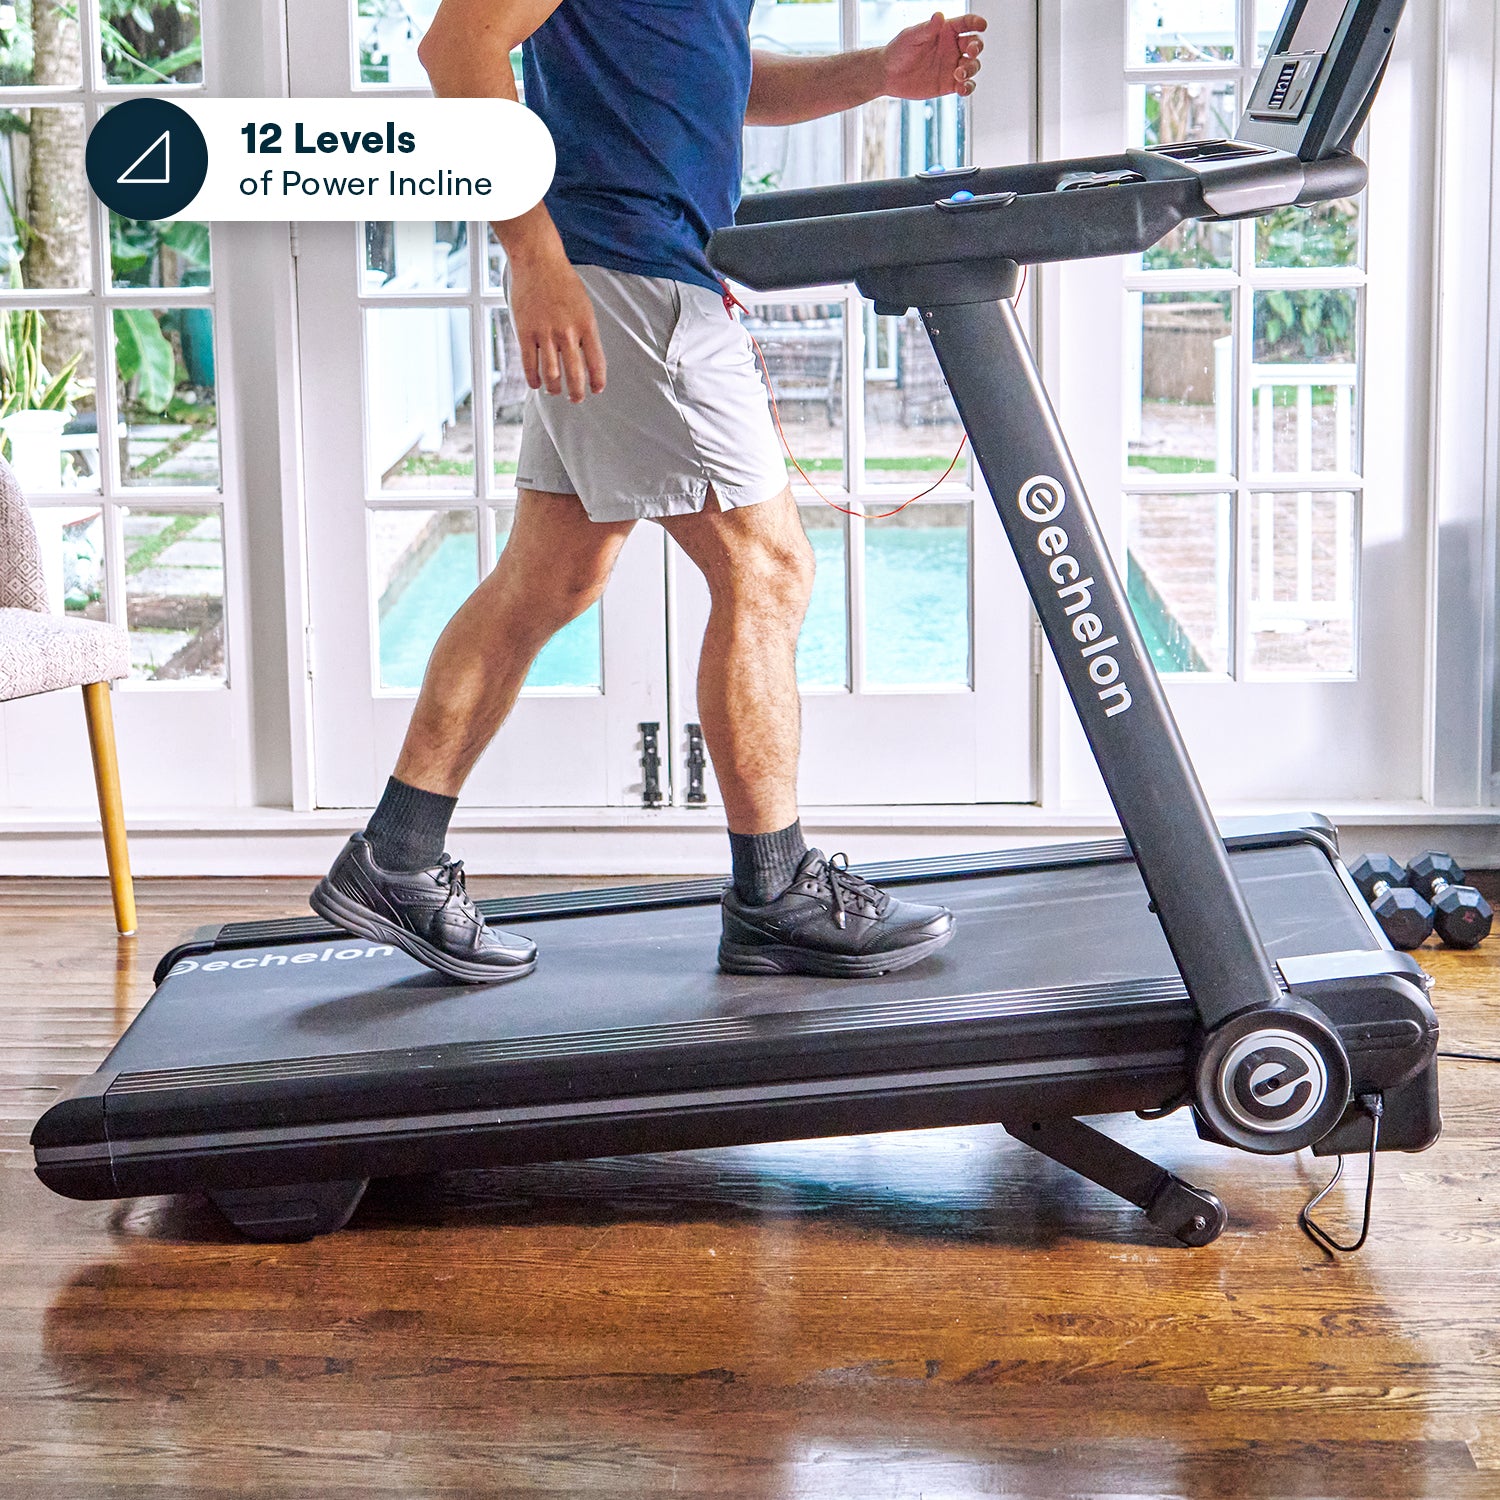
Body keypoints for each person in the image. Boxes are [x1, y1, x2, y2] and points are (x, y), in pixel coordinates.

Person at [312, 0, 986, 985]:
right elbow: (457, 46)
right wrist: (531, 254)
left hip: (631, 268)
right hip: (624, 271)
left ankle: (397, 855)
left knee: (553, 578)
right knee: (770, 569)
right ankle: (776, 889)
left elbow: (708, 74)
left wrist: (874, 74)